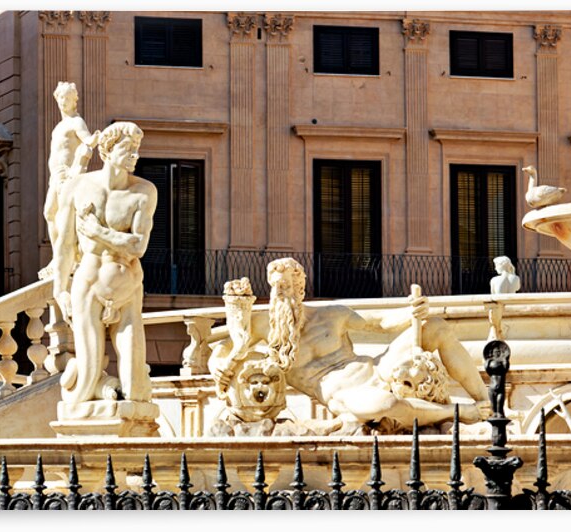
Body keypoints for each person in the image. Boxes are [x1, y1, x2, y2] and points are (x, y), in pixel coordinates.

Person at [210, 258, 490, 430]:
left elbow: (379, 323)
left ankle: (486, 402)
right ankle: (461, 411)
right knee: (385, 403)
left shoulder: (332, 315)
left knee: (435, 327)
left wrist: (411, 313)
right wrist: (218, 367)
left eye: (287, 286)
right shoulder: (263, 325)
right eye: (276, 287)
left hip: (377, 370)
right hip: (343, 395)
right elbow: (222, 349)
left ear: (300, 288)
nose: (281, 293)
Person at [52, 121, 157, 405]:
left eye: (137, 148)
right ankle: (93, 382)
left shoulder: (144, 192)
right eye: (128, 148)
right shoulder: (78, 187)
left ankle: (127, 416)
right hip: (89, 285)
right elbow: (64, 245)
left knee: (136, 389)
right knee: (83, 384)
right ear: (108, 151)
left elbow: (138, 246)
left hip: (129, 287)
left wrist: (99, 232)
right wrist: (59, 289)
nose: (135, 154)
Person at [41, 82, 100, 278]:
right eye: (60, 98)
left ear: (74, 100)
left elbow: (88, 140)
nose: (63, 102)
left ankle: (68, 256)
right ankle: (59, 254)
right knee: (50, 213)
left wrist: (99, 138)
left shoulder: (77, 122)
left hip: (67, 176)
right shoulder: (59, 126)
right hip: (55, 176)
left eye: (67, 98)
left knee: (64, 216)